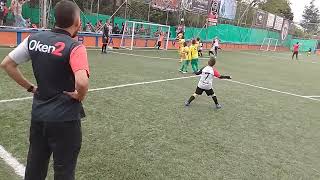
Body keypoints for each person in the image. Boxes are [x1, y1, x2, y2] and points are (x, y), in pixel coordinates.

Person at [0, 1, 90, 179]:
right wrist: (80, 95)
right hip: (65, 120)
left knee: (35, 168)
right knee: (64, 171)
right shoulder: (75, 47)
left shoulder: (34, 39)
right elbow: (82, 82)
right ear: (77, 22)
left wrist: (31, 88)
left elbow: (7, 64)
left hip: (39, 116)